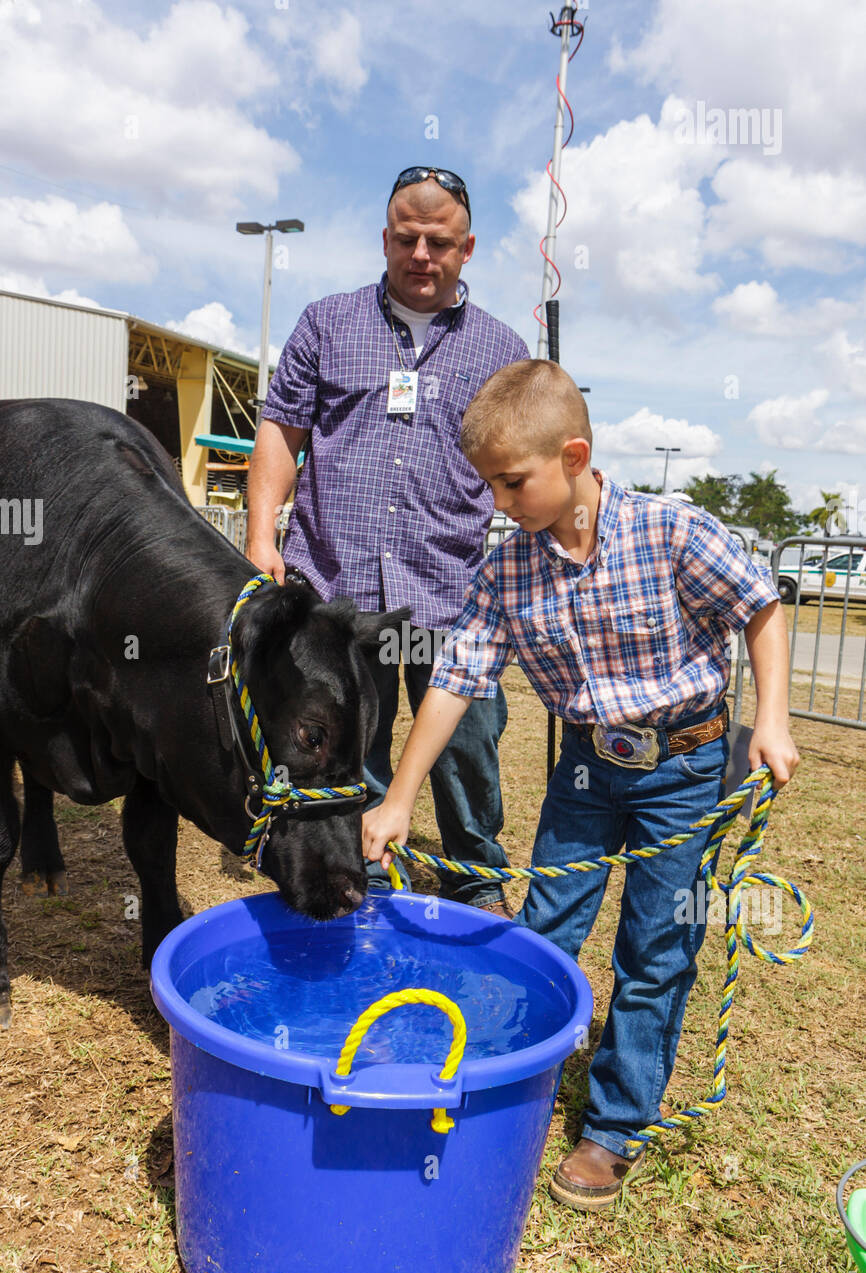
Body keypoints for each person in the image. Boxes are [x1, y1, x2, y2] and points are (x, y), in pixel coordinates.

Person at [362, 358, 799, 1209]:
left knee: (656, 949)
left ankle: (613, 1127)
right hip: (586, 771)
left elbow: (761, 604)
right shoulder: (505, 572)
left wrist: (772, 719)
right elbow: (455, 679)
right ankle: (506, 1075)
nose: (497, 502)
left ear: (573, 455)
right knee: (543, 931)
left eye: (510, 482)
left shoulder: (672, 531)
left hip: (685, 768)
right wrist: (400, 796)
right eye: (488, 484)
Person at [246, 167, 529, 916]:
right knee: (343, 746)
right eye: (407, 237)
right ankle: (354, 872)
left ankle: (474, 874)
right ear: (385, 238)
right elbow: (281, 429)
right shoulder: (326, 323)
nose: (422, 253)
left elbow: (520, 458)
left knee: (466, 747)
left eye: (440, 241)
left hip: (449, 590)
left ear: (468, 248)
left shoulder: (502, 348)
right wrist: (259, 532)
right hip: (335, 590)